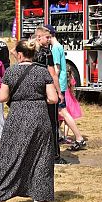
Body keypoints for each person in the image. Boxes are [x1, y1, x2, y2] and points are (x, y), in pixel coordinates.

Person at [0, 39, 58, 202]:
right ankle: (39, 200)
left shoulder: (10, 72)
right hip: (39, 115)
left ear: (18, 54)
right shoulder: (43, 72)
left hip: (17, 114)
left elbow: (2, 97)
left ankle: (1, 199)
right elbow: (53, 99)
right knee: (41, 156)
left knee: (8, 155)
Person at [45, 24, 86, 151]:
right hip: (61, 84)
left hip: (60, 84)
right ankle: (59, 136)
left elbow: (56, 69)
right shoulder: (59, 47)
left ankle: (79, 138)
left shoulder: (55, 49)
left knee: (63, 112)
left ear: (49, 35)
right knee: (60, 113)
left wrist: (52, 84)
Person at [33, 25, 67, 164]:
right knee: (52, 124)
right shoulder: (47, 53)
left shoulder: (29, 52)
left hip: (34, 92)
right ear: (38, 37)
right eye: (47, 37)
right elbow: (53, 74)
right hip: (47, 91)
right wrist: (59, 92)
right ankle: (55, 156)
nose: (49, 40)